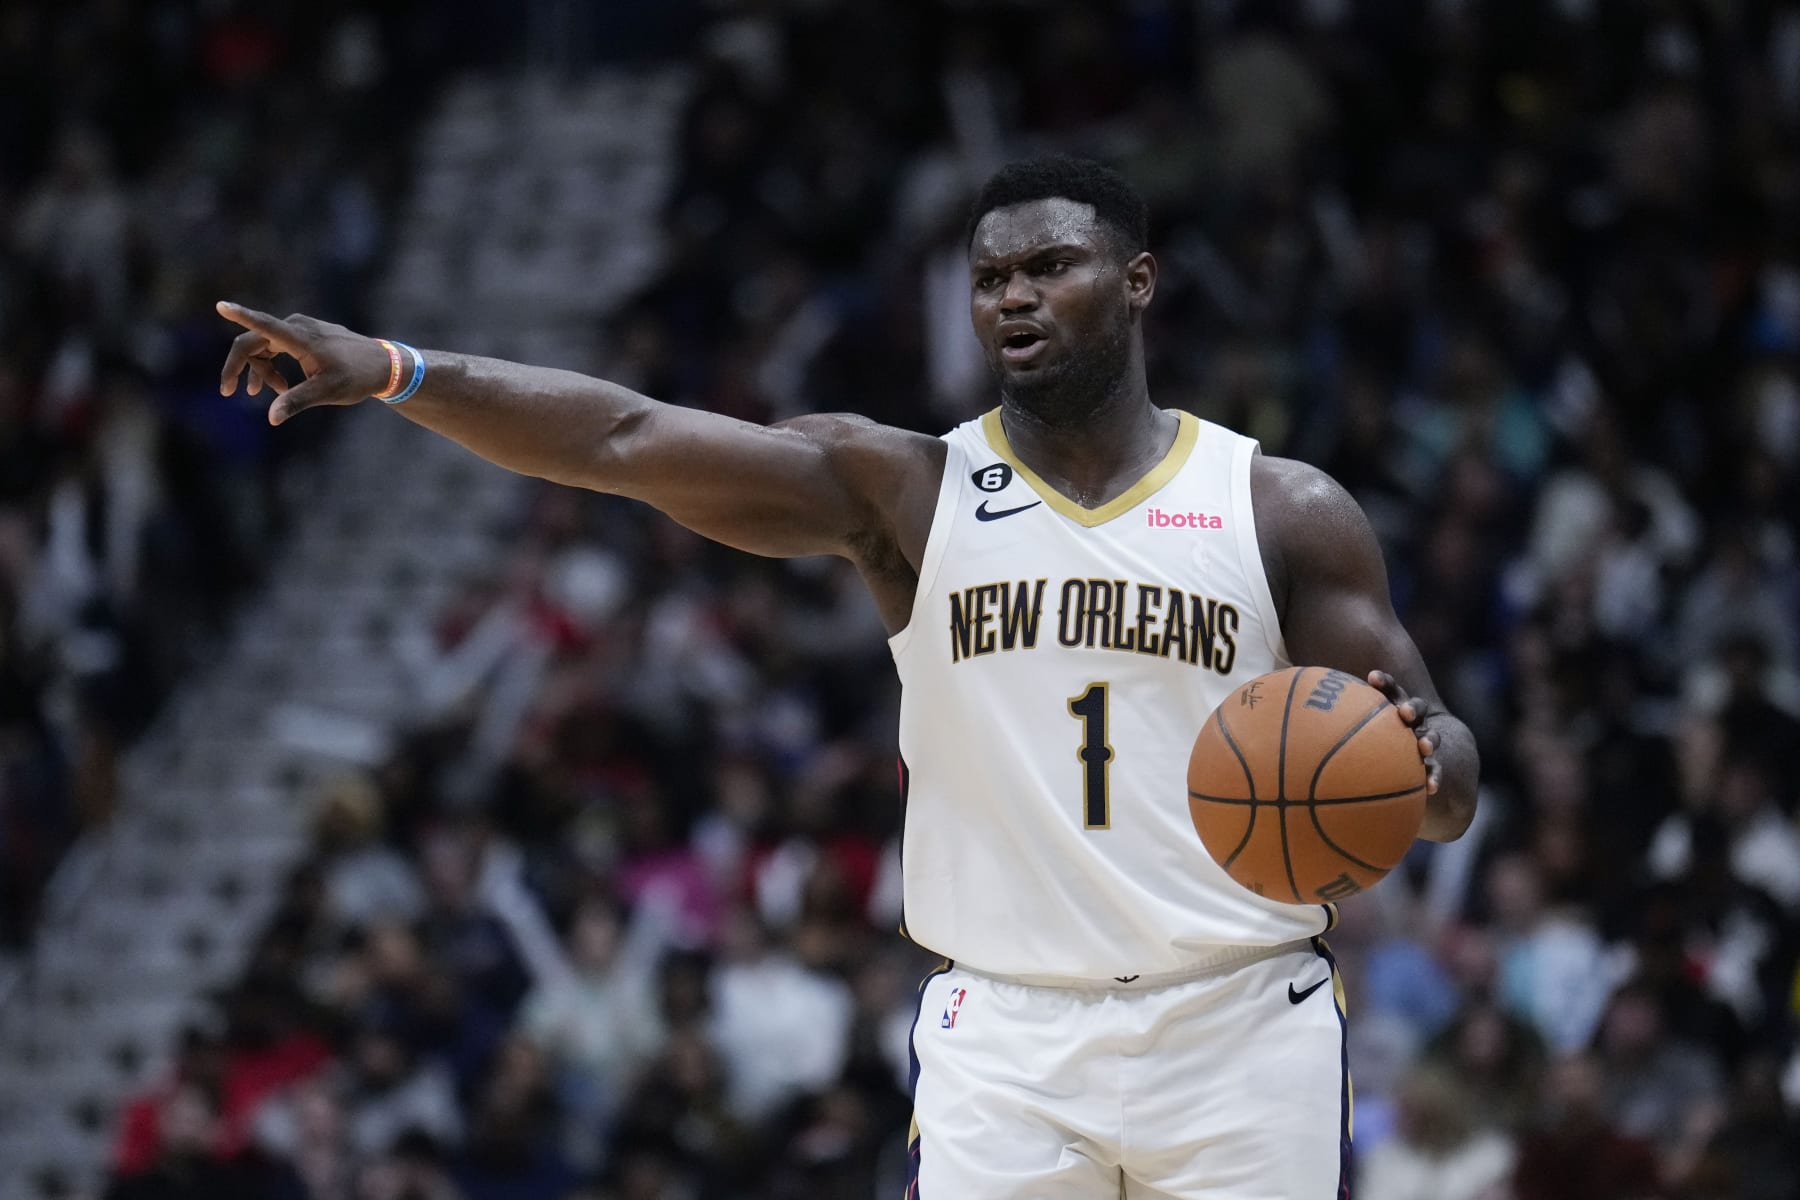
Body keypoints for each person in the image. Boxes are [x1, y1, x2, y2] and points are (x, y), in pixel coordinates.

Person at [218, 156, 1479, 1199]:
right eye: (990, 279)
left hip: (1243, 1024)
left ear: (1138, 282)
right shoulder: (908, 492)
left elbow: (1445, 776)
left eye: (1051, 267)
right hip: (1009, 1037)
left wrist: (1427, 760)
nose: (1014, 299)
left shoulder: (1278, 509)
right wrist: (397, 369)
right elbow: (624, 438)